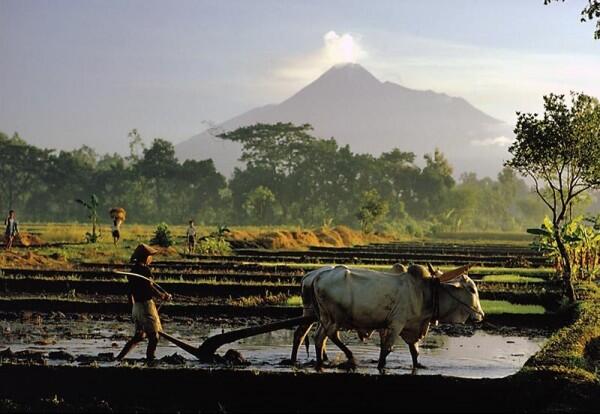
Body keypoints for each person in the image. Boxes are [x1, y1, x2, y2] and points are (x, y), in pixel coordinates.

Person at [116, 243, 171, 362]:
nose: (152, 258)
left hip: (136, 307)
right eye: (151, 256)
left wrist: (133, 309)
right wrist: (162, 295)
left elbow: (129, 293)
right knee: (154, 337)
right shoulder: (145, 270)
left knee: (139, 335)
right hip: (146, 306)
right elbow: (149, 287)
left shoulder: (133, 272)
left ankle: (119, 358)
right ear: (146, 257)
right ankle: (150, 360)